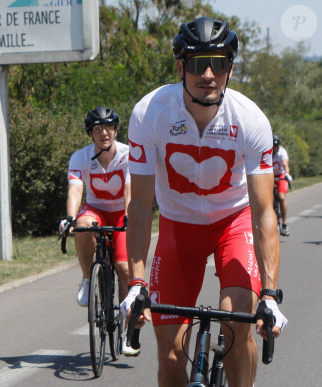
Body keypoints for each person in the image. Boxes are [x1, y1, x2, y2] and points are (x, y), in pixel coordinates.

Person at [120, 17, 287, 386]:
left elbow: (263, 212)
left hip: (234, 224)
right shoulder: (149, 114)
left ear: (229, 69)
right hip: (178, 229)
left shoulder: (250, 120)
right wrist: (136, 283)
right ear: (181, 67)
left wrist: (271, 294)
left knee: (235, 327)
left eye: (220, 63)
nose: (208, 74)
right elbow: (141, 207)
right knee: (169, 355)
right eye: (198, 63)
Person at [59, 107, 135, 355]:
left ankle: (127, 330)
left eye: (109, 127)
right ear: (91, 133)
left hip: (121, 212)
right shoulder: (80, 158)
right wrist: (70, 218)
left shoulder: (128, 154)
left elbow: (129, 190)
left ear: (115, 130)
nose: (105, 132)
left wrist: (129, 217)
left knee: (124, 268)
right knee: (82, 225)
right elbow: (75, 189)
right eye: (99, 128)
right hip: (96, 210)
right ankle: (87, 278)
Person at [272, 134, 291, 236]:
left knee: (281, 197)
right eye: (275, 146)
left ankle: (284, 224)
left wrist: (287, 174)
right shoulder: (265, 152)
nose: (276, 148)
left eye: (277, 146)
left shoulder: (282, 152)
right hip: (270, 176)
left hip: (281, 176)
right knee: (267, 200)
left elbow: (285, 165)